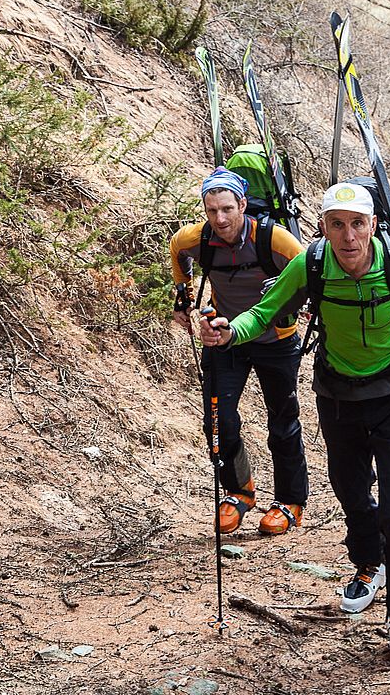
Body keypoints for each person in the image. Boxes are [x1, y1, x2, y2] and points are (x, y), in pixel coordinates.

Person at [204, 181, 390, 667]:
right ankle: (368, 564)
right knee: (351, 492)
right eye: (337, 225)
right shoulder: (311, 264)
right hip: (337, 399)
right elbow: (264, 314)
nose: (348, 236)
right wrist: (230, 331)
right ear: (324, 228)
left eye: (357, 224)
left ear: (372, 225)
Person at [170, 167, 308, 537]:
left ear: (243, 205)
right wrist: (182, 298)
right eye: (212, 210)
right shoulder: (196, 239)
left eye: (228, 209)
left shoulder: (274, 241)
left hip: (276, 341)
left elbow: (310, 272)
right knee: (218, 420)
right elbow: (177, 250)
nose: (220, 218)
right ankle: (238, 491)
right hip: (223, 339)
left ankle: (290, 501)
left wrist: (290, 296)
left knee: (282, 420)